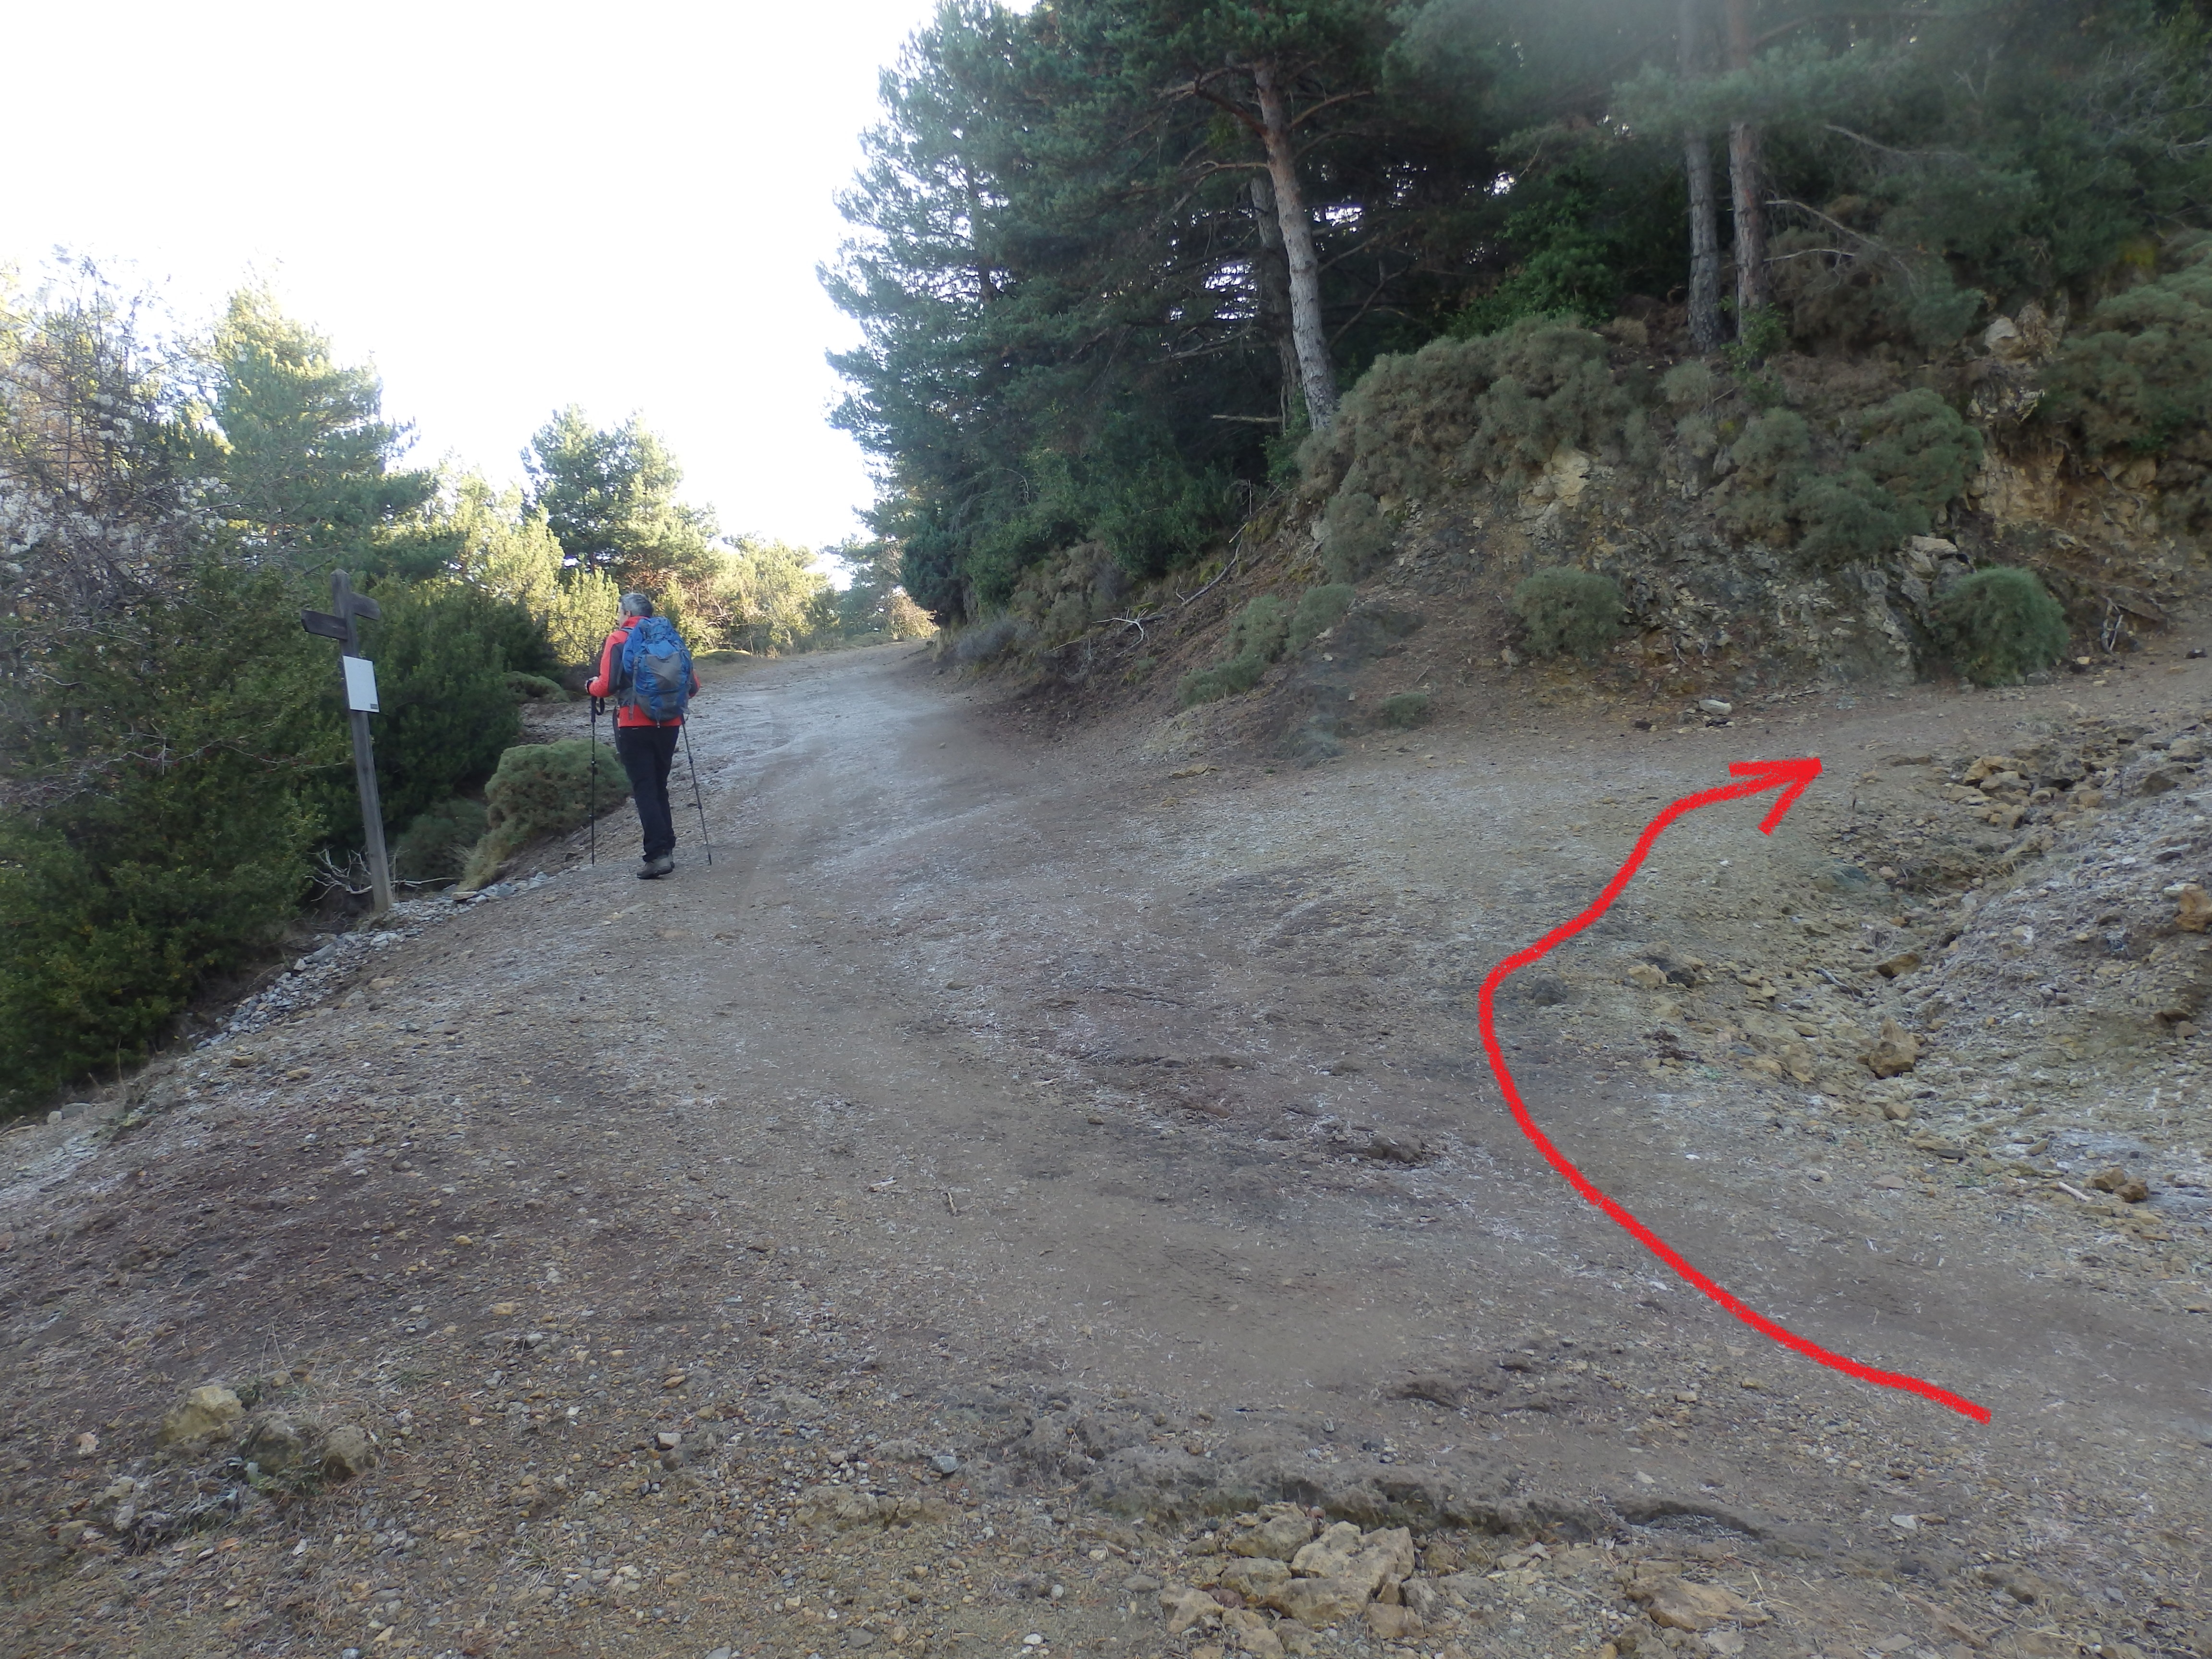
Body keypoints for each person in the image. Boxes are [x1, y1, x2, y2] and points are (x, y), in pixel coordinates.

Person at [588, 592, 701, 879]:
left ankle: (658, 855)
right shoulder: (670, 639)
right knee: (659, 785)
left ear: (627, 613)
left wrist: (590, 687)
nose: (618, 617)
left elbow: (607, 686)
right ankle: (667, 847)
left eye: (619, 611)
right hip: (670, 721)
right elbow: (693, 687)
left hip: (633, 722)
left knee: (645, 788)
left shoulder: (618, 639)